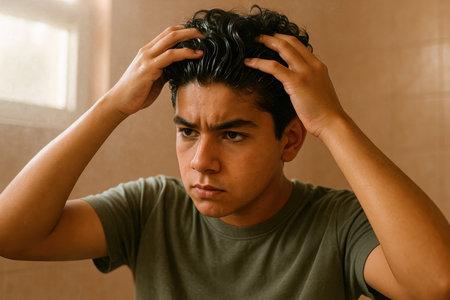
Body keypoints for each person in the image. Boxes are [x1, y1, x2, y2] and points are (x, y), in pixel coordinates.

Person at [0, 5, 449, 300]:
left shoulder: (337, 224)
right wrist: (112, 104)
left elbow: (436, 284)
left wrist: (333, 122)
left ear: (289, 140)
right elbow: (11, 233)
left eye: (232, 135)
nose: (201, 162)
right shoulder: (153, 208)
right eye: (188, 132)